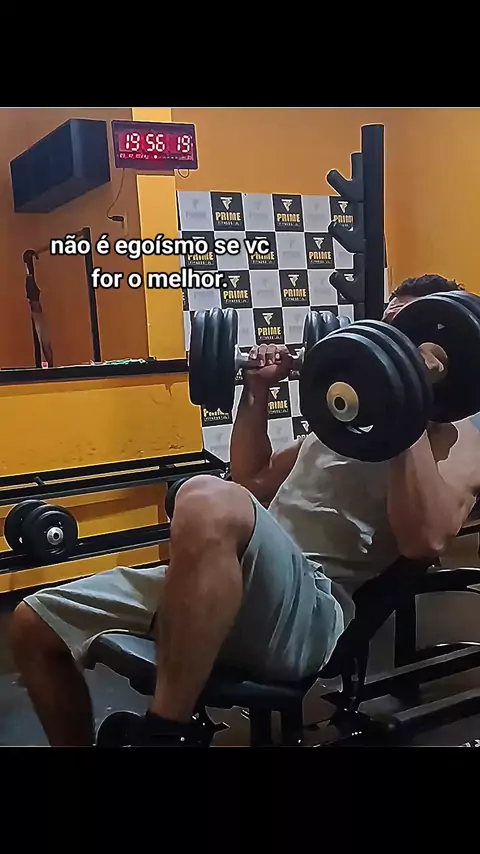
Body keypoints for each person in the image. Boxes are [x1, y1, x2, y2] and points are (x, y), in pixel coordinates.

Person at [10, 274, 480, 747]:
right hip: (239, 578)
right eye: (387, 326)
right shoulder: (345, 426)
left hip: (311, 611)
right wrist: (257, 392)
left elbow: (425, 541)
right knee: (35, 625)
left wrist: (407, 407)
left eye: (405, 335)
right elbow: (251, 481)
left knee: (205, 495)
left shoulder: (460, 444)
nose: (389, 344)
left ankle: (164, 734)